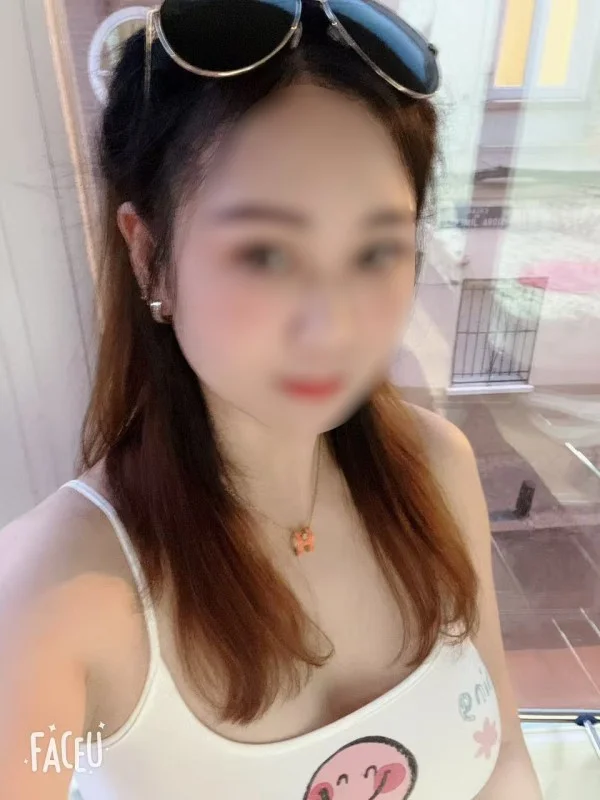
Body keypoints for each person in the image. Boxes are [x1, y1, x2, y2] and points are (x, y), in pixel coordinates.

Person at [0, 1, 542, 797]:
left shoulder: (437, 472)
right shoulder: (47, 597)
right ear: (149, 256)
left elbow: (506, 762)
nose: (332, 324)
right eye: (266, 253)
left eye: (376, 250)